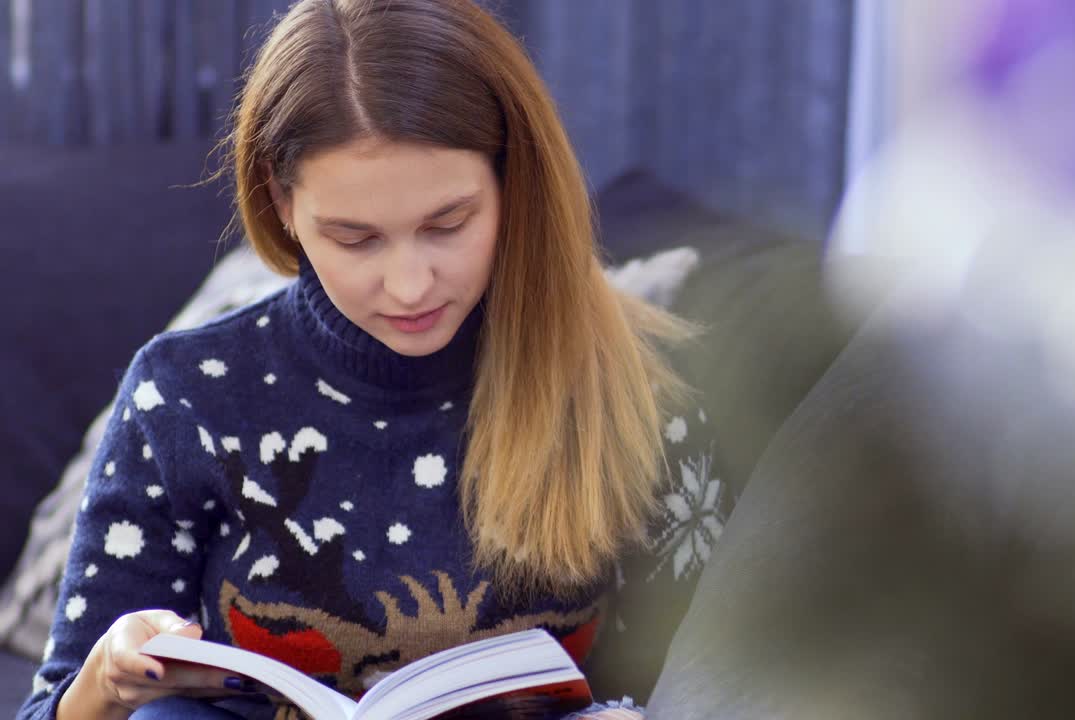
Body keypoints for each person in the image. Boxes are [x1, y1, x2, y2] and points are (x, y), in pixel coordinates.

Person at [18, 1, 730, 718]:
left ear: (513, 185)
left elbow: (704, 690)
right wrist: (105, 681)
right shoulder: (184, 397)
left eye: (447, 225)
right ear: (281, 202)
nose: (410, 286)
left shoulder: (642, 387)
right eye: (356, 239)